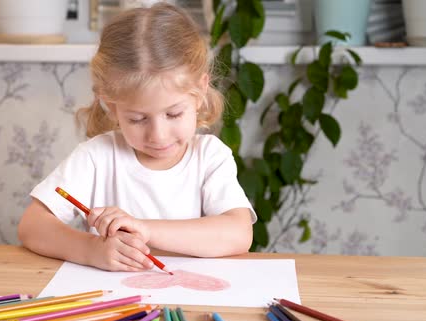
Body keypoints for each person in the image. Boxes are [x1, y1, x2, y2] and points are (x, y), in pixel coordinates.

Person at [18, 3, 256, 272]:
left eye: (174, 114)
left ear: (200, 92)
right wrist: (90, 250)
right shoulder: (97, 157)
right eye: (138, 119)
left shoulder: (210, 157)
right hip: (114, 302)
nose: (158, 135)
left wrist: (145, 229)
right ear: (111, 105)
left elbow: (239, 234)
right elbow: (32, 225)